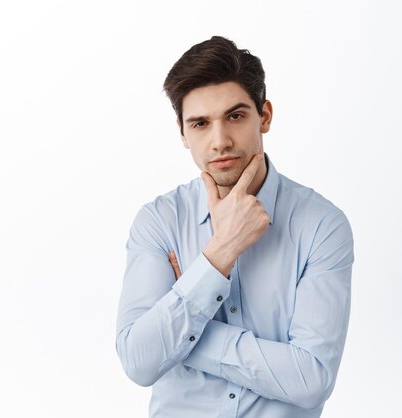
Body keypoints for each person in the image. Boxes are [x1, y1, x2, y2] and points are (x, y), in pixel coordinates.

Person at [115, 36, 354, 418]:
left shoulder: (321, 226)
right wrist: (221, 251)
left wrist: (183, 329)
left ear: (265, 116)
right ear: (182, 133)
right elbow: (140, 362)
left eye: (236, 116)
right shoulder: (158, 222)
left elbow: (311, 381)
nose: (220, 141)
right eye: (200, 123)